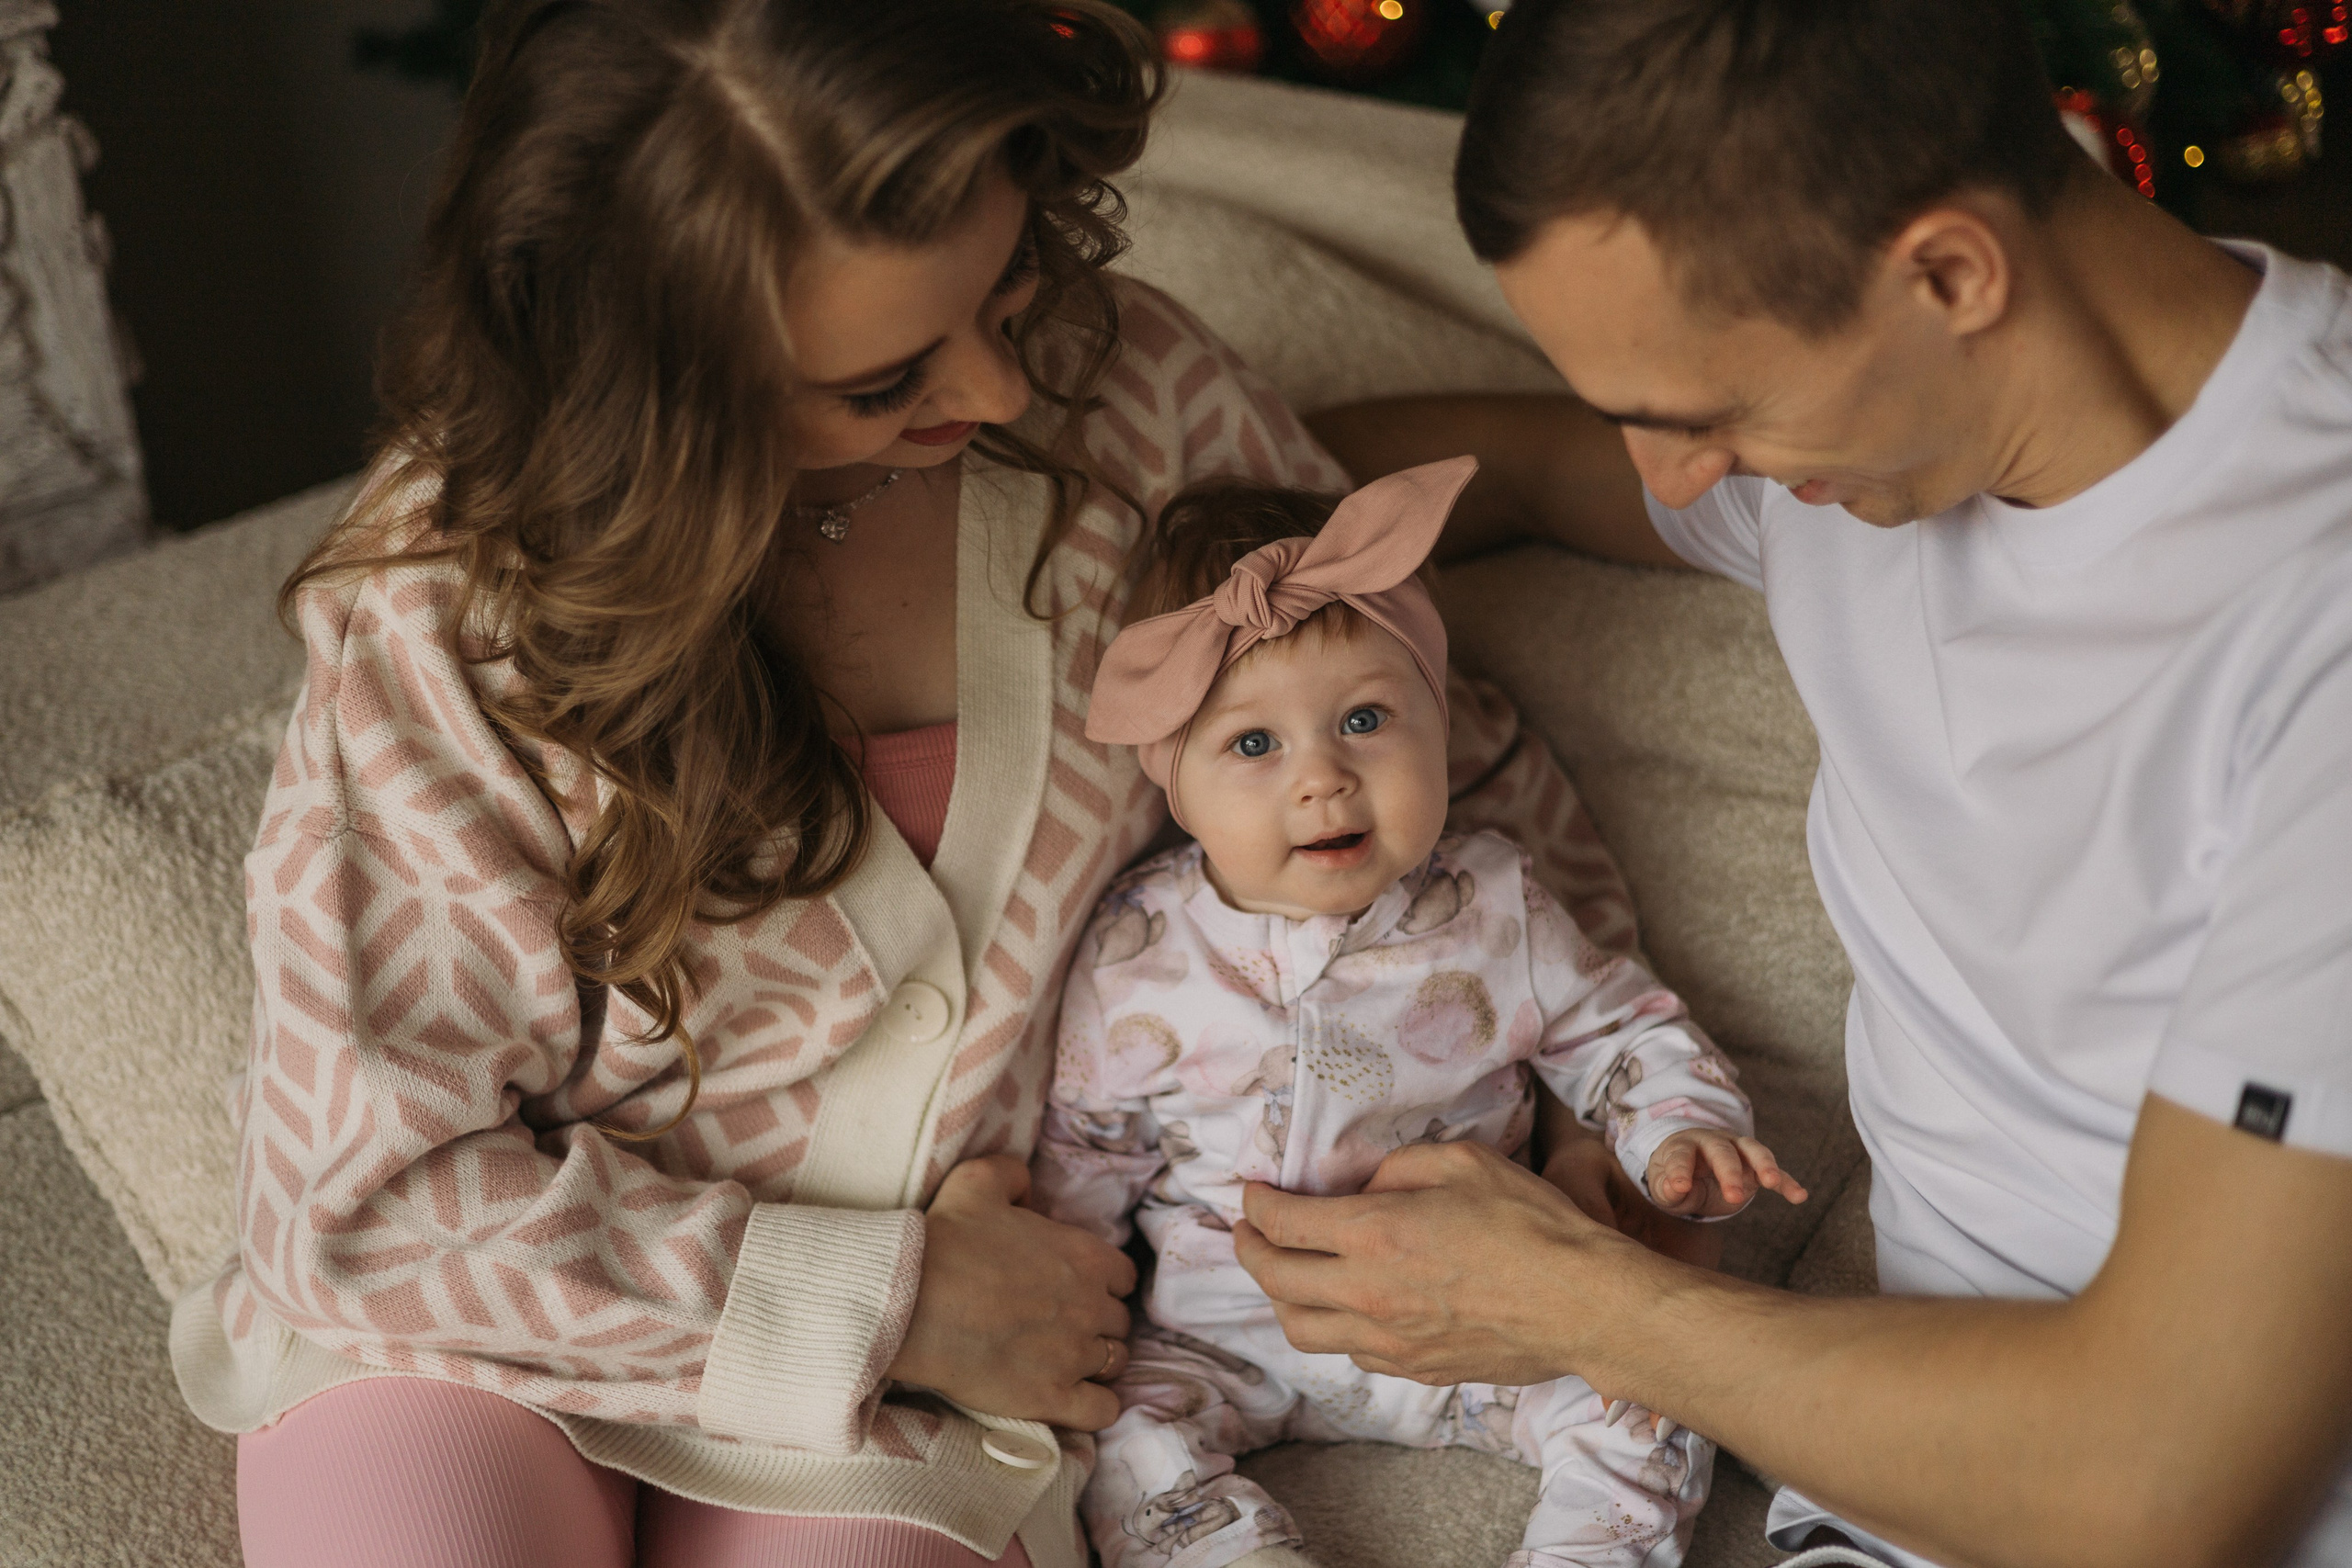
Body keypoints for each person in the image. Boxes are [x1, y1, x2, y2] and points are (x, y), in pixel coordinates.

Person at [164, 4, 1632, 1565]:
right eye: (884, 379)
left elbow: (1430, 751)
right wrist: (894, 1299)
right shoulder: (448, 601)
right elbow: (365, 1203)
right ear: (662, 385)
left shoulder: (1134, 396)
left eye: (1004, 287)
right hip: (480, 1333)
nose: (997, 388)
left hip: (930, 1412)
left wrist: (1593, 1105)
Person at [1230, 2, 2352, 1566]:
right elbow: (1514, 471)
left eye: (1706, 412)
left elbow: (2168, 1486)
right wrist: (1179, 557)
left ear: (1950, 273)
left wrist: (1568, 1300)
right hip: (1900, 1492)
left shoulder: (2312, 620)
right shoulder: (1881, 441)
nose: (1674, 473)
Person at [1032, 459, 1809, 1568]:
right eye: (1253, 744)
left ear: (1438, 723)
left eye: (1364, 719)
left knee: (1650, 1401)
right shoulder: (1136, 947)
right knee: (1121, 1447)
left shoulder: (1495, 905)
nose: (1322, 779)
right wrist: (1072, 1303)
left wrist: (1676, 1130)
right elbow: (1086, 1150)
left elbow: (1620, 1030)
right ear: (1171, 776)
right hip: (1225, 1339)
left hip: (1482, 1325)